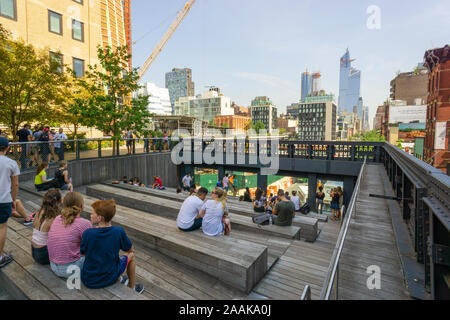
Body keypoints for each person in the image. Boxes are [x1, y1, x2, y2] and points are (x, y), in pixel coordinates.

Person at [80, 199, 144, 293]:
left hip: (88, 279)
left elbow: (83, 254)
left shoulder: (88, 233)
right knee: (131, 255)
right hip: (109, 277)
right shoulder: (118, 231)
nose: (90, 215)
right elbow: (130, 249)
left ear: (100, 218)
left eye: (92, 213)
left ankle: (120, 279)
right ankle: (132, 288)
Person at [47, 192, 92, 278]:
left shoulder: (57, 218)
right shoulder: (85, 223)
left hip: (53, 266)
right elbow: (91, 246)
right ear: (81, 206)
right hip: (71, 269)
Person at [0, 137, 20, 268]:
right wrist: (13, 200)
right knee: (2, 227)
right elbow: (15, 184)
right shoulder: (11, 163)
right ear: (7, 148)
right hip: (4, 200)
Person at [31, 190, 62, 265]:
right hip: (43, 255)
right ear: (60, 201)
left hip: (34, 252)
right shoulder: (53, 218)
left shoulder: (39, 212)